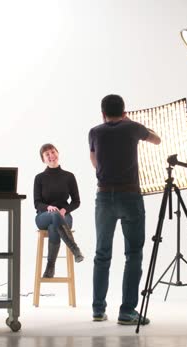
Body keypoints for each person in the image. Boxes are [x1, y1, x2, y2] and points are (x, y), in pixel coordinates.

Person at [89, 94, 161, 325]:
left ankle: (98, 310)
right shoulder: (132, 128)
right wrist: (133, 125)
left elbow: (95, 161)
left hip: (104, 196)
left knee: (102, 254)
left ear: (102, 113)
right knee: (133, 254)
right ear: (124, 111)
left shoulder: (95, 132)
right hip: (130, 195)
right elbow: (157, 140)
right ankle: (127, 311)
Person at [33, 143, 84, 278]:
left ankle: (50, 266)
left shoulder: (69, 176)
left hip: (63, 216)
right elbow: (37, 203)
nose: (51, 156)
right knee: (53, 217)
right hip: (43, 216)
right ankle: (75, 249)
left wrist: (64, 210)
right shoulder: (39, 178)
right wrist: (48, 207)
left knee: (54, 226)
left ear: (58, 153)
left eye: (52, 152)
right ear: (43, 159)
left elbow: (76, 201)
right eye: (47, 154)